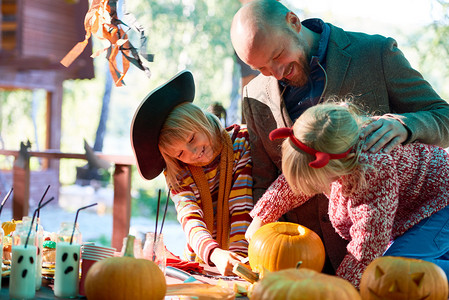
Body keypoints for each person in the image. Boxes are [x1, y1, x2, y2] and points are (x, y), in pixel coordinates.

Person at [230, 0, 449, 274]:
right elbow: (273, 178)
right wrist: (261, 228)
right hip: (304, 257)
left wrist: (407, 126)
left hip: (390, 233)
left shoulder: (375, 54)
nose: (275, 73)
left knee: (398, 278)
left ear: (294, 22)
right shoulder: (254, 96)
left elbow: (444, 116)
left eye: (278, 55)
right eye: (261, 68)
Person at [246, 101, 449, 287]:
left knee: (391, 275)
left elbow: (367, 246)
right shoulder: (334, 142)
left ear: (332, 166)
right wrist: (262, 217)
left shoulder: (373, 170)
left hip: (441, 202)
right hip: (413, 209)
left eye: (316, 183)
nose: (312, 188)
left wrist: (338, 290)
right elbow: (294, 184)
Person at [130, 70, 253, 276]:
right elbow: (190, 218)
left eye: (192, 139)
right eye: (181, 153)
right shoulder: (178, 172)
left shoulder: (240, 142)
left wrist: (237, 260)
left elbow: (242, 202)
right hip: (202, 261)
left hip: (243, 259)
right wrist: (215, 254)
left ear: (200, 120)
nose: (194, 152)